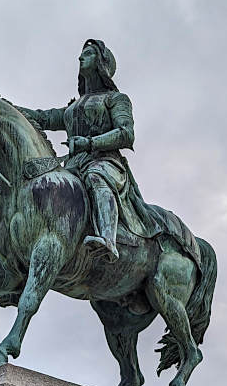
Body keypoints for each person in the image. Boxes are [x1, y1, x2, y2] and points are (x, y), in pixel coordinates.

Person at [18, 39, 166, 262]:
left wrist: (89, 143)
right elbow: (43, 117)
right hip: (73, 166)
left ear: (101, 63)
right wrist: (7, 107)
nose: (80, 58)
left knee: (96, 177)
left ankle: (108, 239)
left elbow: (126, 133)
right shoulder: (74, 107)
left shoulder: (116, 99)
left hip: (105, 162)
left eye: (87, 54)